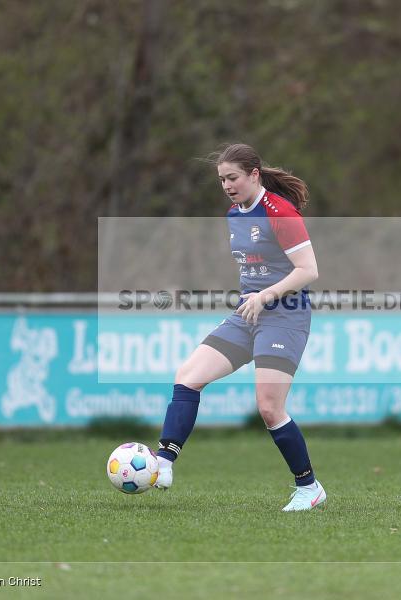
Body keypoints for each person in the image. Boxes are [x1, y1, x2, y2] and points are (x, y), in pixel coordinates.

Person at [153, 143, 326, 511]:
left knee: (268, 407)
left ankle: (309, 488)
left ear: (254, 175)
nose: (227, 185)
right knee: (188, 376)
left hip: (285, 317)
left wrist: (266, 295)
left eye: (233, 177)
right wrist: (255, 299)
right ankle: (163, 462)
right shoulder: (234, 214)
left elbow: (308, 270)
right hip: (248, 314)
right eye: (221, 180)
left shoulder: (281, 212)